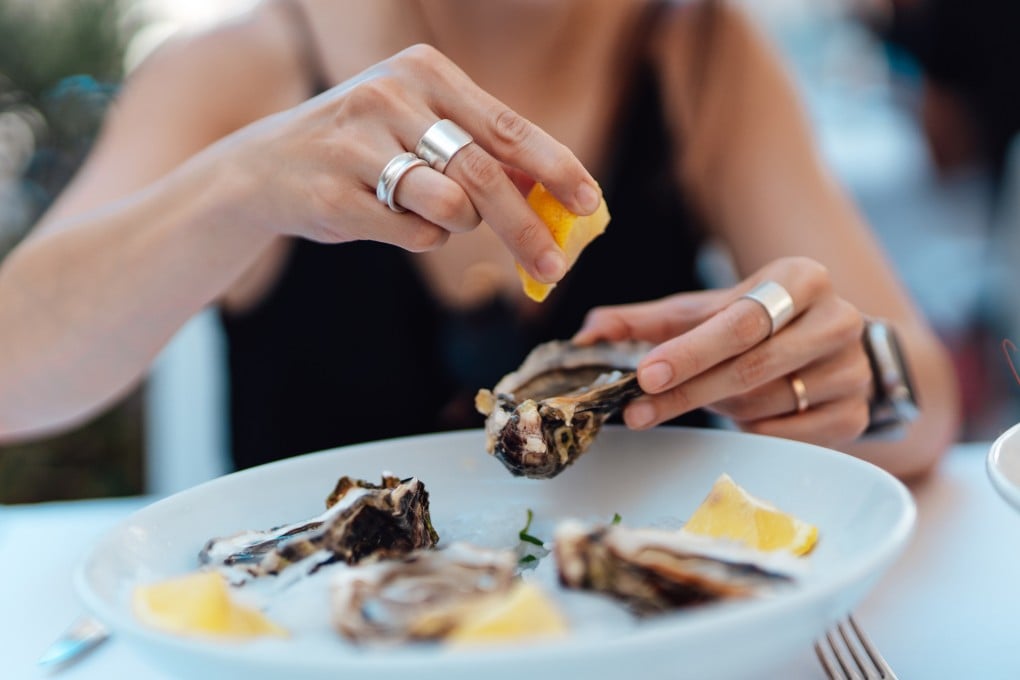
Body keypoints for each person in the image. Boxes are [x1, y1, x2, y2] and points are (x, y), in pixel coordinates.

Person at [0, 0, 959, 480]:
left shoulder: (699, 49)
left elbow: (927, 401)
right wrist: (235, 187)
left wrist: (858, 378)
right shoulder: (240, 65)